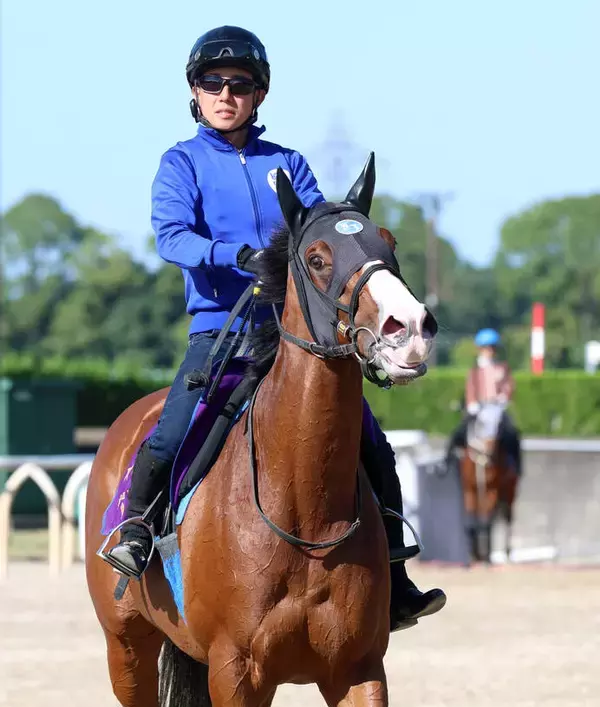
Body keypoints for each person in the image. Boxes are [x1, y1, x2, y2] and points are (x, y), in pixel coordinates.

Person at [105, 25, 445, 628]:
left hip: (297, 334)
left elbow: (317, 231)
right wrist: (233, 255)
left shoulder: (288, 164)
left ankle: (392, 568)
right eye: (212, 83)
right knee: (173, 430)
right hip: (221, 332)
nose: (225, 94)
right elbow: (172, 237)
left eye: (238, 84)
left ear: (258, 94)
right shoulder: (181, 162)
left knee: (370, 438)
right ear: (194, 90)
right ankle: (138, 528)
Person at [440, 328, 521, 473]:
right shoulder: (475, 370)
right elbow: (470, 388)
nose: (489, 350)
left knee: (512, 433)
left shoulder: (503, 368)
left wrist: (504, 398)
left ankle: (516, 465)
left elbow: (509, 386)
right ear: (480, 349)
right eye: (486, 347)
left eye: (492, 347)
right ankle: (447, 461)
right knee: (459, 431)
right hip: (479, 408)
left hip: (497, 408)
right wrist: (472, 404)